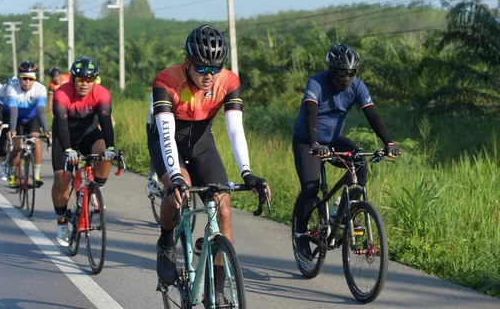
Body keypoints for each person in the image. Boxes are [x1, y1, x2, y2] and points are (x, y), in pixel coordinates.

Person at [150, 24, 271, 287]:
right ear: (187, 62)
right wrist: (175, 177)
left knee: (224, 209)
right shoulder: (166, 80)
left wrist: (247, 172)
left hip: (202, 142)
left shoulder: (229, 81)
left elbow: (235, 129)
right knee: (178, 191)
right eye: (202, 68)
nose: (209, 75)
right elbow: (166, 135)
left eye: (215, 68)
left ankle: (217, 287)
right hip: (168, 140)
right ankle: (166, 241)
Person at [292, 43, 401, 263]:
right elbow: (310, 112)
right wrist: (314, 143)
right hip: (307, 141)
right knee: (310, 188)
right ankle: (300, 235)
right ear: (332, 70)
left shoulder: (357, 87)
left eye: (351, 73)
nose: (347, 78)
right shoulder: (316, 83)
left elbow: (373, 116)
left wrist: (388, 142)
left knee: (360, 162)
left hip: (333, 140)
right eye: (342, 73)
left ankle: (345, 213)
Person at [50, 56, 116, 246]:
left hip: (88, 134)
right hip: (64, 136)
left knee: (104, 152)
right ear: (73, 79)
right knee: (63, 178)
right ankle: (62, 221)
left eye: (89, 80)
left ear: (95, 80)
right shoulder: (62, 93)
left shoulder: (102, 93)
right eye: (80, 80)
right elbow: (61, 124)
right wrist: (68, 149)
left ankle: (95, 190)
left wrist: (111, 147)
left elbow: (105, 122)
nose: (84, 84)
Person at [6, 61, 51, 188]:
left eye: (30, 79)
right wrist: (13, 130)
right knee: (17, 147)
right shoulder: (12, 89)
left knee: (36, 140)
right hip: (18, 119)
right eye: (24, 78)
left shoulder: (40, 89)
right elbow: (13, 112)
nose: (27, 82)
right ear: (19, 78)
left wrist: (46, 130)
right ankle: (13, 174)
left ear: (34, 79)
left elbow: (41, 111)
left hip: (33, 118)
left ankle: (36, 175)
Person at [0, 76, 18, 180]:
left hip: (17, 113)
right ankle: (3, 167)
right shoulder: (2, 90)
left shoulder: (19, 90)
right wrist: (0, 121)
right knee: (2, 139)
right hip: (5, 113)